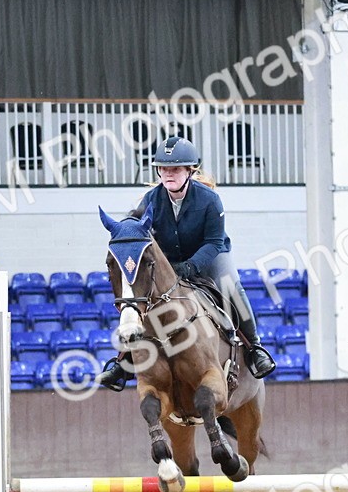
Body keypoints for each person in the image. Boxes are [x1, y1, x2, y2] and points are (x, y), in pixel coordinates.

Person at [97, 136, 276, 391]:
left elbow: (213, 242)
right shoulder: (150, 200)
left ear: (190, 170)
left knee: (231, 287)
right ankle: (123, 363)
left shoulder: (209, 200)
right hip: (169, 261)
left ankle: (255, 347)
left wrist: (191, 267)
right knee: (138, 299)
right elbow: (135, 228)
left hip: (210, 255)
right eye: (163, 169)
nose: (168, 174)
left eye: (175, 169)